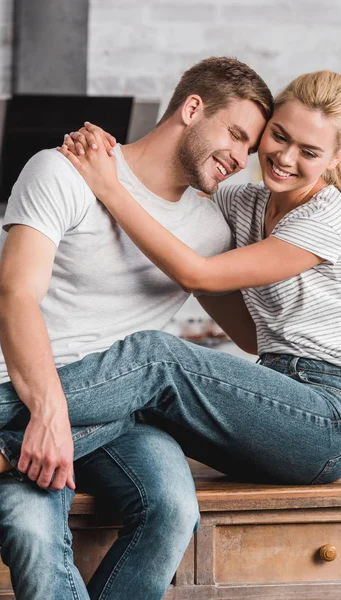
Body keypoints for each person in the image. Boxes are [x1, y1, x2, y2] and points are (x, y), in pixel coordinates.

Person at [0, 59, 341, 600]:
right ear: (191, 108)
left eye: (307, 151)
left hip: (320, 410)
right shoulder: (230, 204)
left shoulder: (279, 220)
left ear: (334, 158)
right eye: (263, 138)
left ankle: (9, 434)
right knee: (87, 515)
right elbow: (253, 335)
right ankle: (24, 431)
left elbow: (204, 281)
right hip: (76, 391)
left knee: (161, 383)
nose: (270, 157)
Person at [0, 57, 273, 600]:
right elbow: (15, 295)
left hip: (124, 414)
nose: (241, 159)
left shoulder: (209, 226)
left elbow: (253, 334)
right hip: (27, 396)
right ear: (192, 109)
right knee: (32, 534)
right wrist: (51, 412)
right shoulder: (64, 169)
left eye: (250, 148)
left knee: (173, 510)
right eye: (237, 135)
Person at [54, 68, 341, 487]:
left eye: (309, 151)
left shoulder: (328, 216)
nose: (285, 159)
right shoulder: (241, 201)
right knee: (135, 402)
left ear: (334, 159)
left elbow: (199, 274)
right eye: (280, 137)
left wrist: (109, 187)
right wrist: (110, 154)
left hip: (328, 417)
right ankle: (12, 452)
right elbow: (163, 188)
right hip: (272, 396)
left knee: (156, 356)